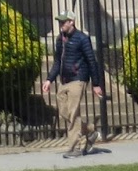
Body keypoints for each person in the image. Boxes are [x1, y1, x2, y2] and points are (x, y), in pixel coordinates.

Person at [42, 10, 103, 158]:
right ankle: (90, 130)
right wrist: (49, 79)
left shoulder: (82, 38)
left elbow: (91, 61)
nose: (61, 24)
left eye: (64, 22)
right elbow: (58, 61)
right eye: (60, 22)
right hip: (64, 80)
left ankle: (74, 148)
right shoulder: (60, 39)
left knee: (74, 112)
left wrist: (96, 83)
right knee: (65, 112)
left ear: (71, 22)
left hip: (78, 79)